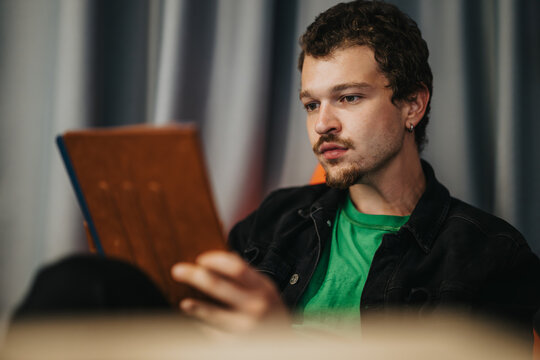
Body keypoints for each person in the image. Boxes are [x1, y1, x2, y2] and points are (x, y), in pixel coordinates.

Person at [170, 0, 540, 338]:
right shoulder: (274, 218)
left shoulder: (492, 255)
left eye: (348, 98)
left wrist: (280, 339)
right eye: (312, 104)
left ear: (412, 105)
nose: (322, 124)